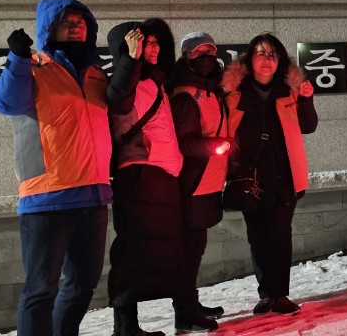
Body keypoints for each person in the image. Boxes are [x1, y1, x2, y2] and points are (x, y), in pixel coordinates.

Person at [0, 0, 111, 336]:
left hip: (93, 194)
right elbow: (6, 103)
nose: (75, 25)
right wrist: (16, 59)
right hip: (48, 197)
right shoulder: (34, 66)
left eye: (81, 21)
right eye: (66, 20)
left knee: (83, 285)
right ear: (50, 27)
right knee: (40, 289)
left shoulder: (95, 72)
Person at [104, 19, 222, 336]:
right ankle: (125, 327)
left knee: (166, 251)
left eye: (157, 43)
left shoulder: (154, 82)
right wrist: (130, 58)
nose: (153, 49)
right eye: (146, 43)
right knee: (132, 252)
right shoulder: (127, 79)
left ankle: (182, 313)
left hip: (162, 176)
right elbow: (118, 98)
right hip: (141, 174)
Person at [220, 34, 318, 315]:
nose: (267, 59)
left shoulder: (291, 90)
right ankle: (266, 294)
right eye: (261, 53)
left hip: (285, 173)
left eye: (273, 55)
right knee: (258, 236)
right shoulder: (234, 92)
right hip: (249, 176)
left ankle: (280, 294)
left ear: (280, 61)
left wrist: (307, 100)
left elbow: (308, 126)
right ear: (250, 59)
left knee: (280, 234)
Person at [166, 32, 232, 323]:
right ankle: (184, 312)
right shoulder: (185, 95)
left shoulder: (214, 90)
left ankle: (190, 303)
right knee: (188, 252)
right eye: (197, 52)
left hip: (211, 182)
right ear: (186, 56)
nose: (206, 56)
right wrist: (215, 145)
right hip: (192, 184)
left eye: (210, 50)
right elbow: (183, 142)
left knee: (196, 248)